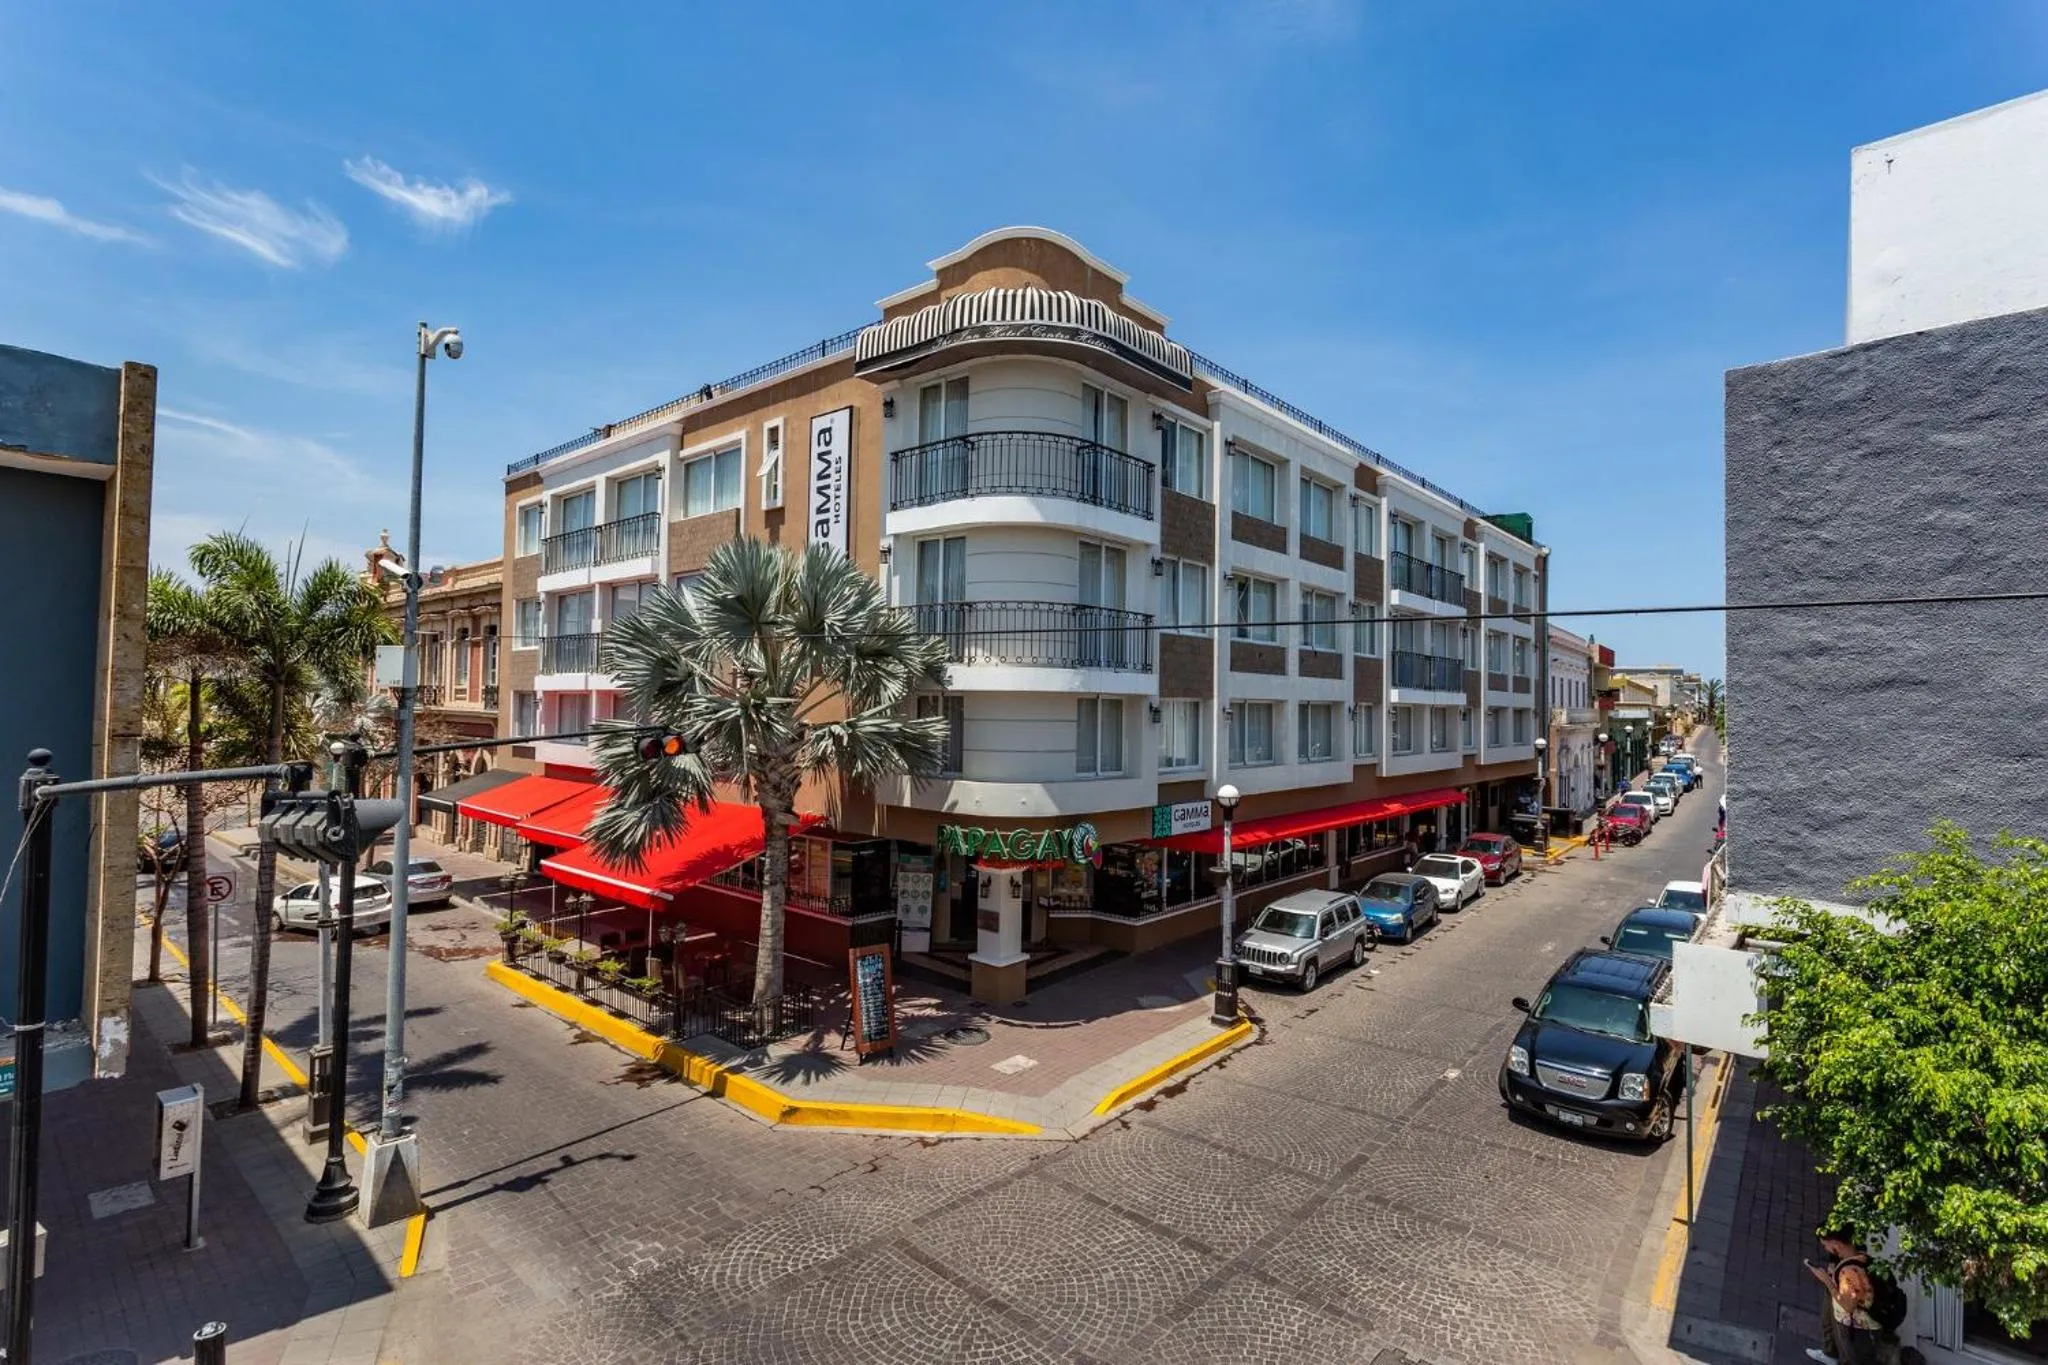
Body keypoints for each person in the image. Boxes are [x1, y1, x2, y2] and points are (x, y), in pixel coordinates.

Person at [1806, 1230, 1880, 1365]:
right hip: (1855, 1323)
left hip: (1856, 1326)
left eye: (1826, 1245)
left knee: (1851, 1357)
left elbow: (1847, 1306)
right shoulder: (1860, 1257)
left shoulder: (1849, 1273)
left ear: (1836, 1244)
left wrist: (1826, 1281)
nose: (1826, 1249)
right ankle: (1831, 1355)